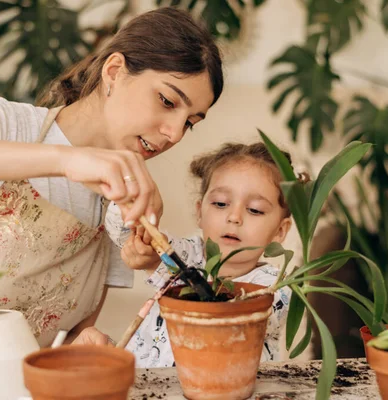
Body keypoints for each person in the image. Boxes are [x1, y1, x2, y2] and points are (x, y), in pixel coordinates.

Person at [0, 7, 223, 377]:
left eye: (190, 123)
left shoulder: (119, 206)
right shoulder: (3, 124)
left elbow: (67, 336)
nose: (175, 133)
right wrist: (67, 161)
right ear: (114, 72)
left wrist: (82, 347)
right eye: (167, 101)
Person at [109, 142, 298, 367]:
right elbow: (121, 230)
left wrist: (162, 269)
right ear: (200, 212)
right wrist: (140, 212)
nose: (234, 217)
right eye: (220, 204)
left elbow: (229, 322)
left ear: (280, 230)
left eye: (254, 210)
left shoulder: (274, 287)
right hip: (148, 383)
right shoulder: (188, 253)